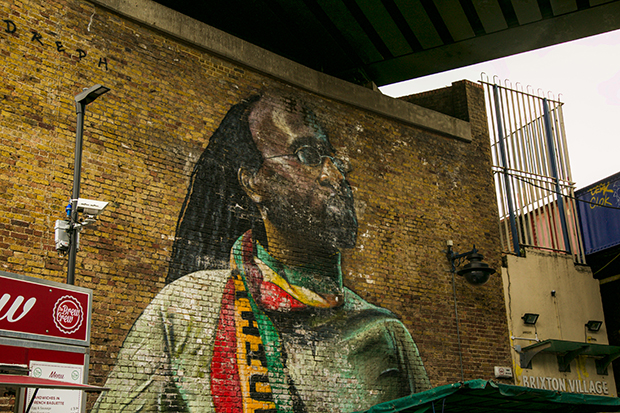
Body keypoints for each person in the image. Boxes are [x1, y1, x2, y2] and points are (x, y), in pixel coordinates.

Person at [93, 91, 430, 413]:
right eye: (306, 156)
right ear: (253, 181)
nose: (333, 176)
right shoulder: (183, 310)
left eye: (334, 160)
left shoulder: (386, 334)